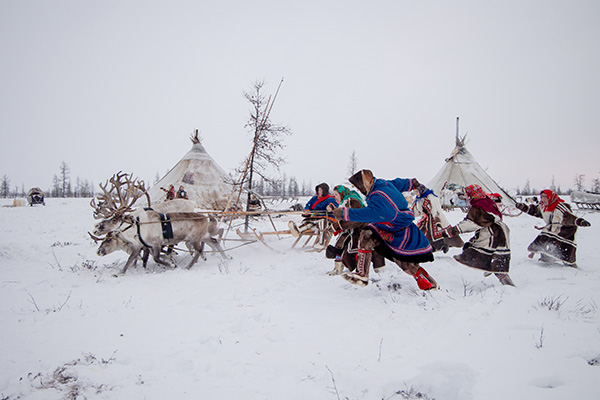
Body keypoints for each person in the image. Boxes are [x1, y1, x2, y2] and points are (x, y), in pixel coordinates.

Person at [328, 170, 437, 290]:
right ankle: (362, 274)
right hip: (392, 227)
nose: (359, 190)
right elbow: (401, 183)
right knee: (367, 235)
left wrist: (344, 213)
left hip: (398, 231)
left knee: (401, 260)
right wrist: (413, 183)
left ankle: (428, 282)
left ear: (365, 184)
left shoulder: (378, 196)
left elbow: (369, 214)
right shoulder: (384, 184)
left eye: (360, 187)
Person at [448, 184, 514, 286]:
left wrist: (454, 230)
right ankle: (494, 271)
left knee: (477, 252)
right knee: (496, 257)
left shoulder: (479, 206)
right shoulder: (487, 201)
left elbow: (471, 223)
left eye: (468, 194)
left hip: (492, 233)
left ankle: (503, 281)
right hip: (501, 230)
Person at [516, 189, 591, 267]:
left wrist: (580, 221)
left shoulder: (559, 207)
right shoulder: (543, 206)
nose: (543, 199)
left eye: (545, 197)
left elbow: (569, 217)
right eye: (541, 197)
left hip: (566, 228)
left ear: (550, 197)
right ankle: (546, 257)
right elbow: (535, 211)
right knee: (545, 236)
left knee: (562, 243)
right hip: (553, 226)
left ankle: (569, 263)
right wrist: (523, 207)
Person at [325, 185, 386, 276]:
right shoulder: (345, 201)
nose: (335, 197)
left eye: (336, 194)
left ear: (342, 193)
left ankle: (367, 271)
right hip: (350, 229)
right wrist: (334, 211)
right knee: (340, 246)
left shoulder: (352, 200)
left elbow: (356, 218)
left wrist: (338, 226)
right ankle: (338, 268)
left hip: (359, 230)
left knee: (359, 250)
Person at [412, 185, 464, 253]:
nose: (416, 193)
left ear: (421, 191)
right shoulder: (419, 199)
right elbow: (418, 211)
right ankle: (427, 247)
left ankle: (442, 245)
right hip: (426, 218)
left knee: (437, 233)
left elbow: (436, 209)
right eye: (415, 192)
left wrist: (437, 220)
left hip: (435, 218)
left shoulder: (431, 197)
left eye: (416, 191)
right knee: (422, 232)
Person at [288, 183, 339, 250]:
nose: (319, 192)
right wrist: (307, 210)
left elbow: (334, 204)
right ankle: (298, 230)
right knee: (308, 224)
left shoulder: (330, 198)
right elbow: (308, 205)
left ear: (325, 190)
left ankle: (321, 242)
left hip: (325, 218)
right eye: (318, 190)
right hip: (314, 217)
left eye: (320, 190)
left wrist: (330, 207)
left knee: (322, 223)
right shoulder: (315, 198)